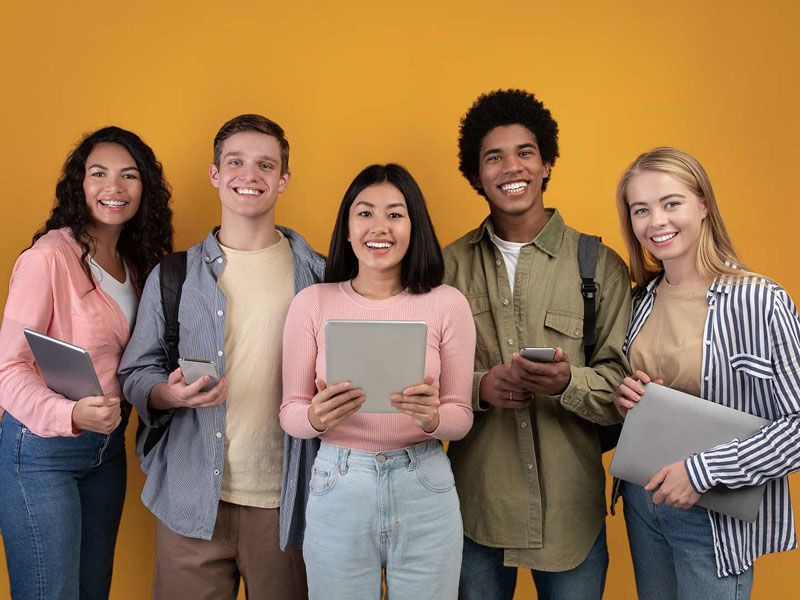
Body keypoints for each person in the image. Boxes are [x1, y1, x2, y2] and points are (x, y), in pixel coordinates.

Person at [118, 114, 321, 600]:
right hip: (189, 502)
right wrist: (169, 392)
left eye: (265, 165)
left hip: (289, 506)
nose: (249, 175)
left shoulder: (323, 277)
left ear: (283, 179)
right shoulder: (174, 275)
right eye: (235, 162)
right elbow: (135, 373)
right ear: (214, 173)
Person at [443, 89, 632, 600]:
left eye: (525, 152)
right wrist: (480, 387)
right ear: (476, 174)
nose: (512, 167)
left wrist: (570, 380)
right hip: (473, 507)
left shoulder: (601, 266)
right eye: (493, 156)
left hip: (572, 513)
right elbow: (417, 382)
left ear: (546, 164)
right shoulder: (446, 268)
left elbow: (622, 384)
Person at [280, 163, 476, 600]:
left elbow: (460, 418)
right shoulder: (312, 303)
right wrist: (314, 415)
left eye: (395, 213)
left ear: (414, 226)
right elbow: (290, 413)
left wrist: (432, 418)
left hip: (423, 479)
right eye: (364, 213)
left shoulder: (448, 305)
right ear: (347, 229)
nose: (379, 227)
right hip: (338, 479)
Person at [612, 146, 800, 600]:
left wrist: (701, 472)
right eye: (641, 210)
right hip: (643, 501)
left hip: (713, 513)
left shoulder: (760, 301)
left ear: (704, 205)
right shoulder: (639, 301)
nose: (656, 221)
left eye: (671, 203)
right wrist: (627, 401)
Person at [0, 126, 173, 599]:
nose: (113, 188)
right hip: (40, 451)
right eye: (98, 174)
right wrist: (69, 413)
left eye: (128, 176)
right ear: (80, 183)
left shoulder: (138, 265)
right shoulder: (49, 258)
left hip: (106, 452)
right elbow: (8, 370)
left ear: (145, 189)